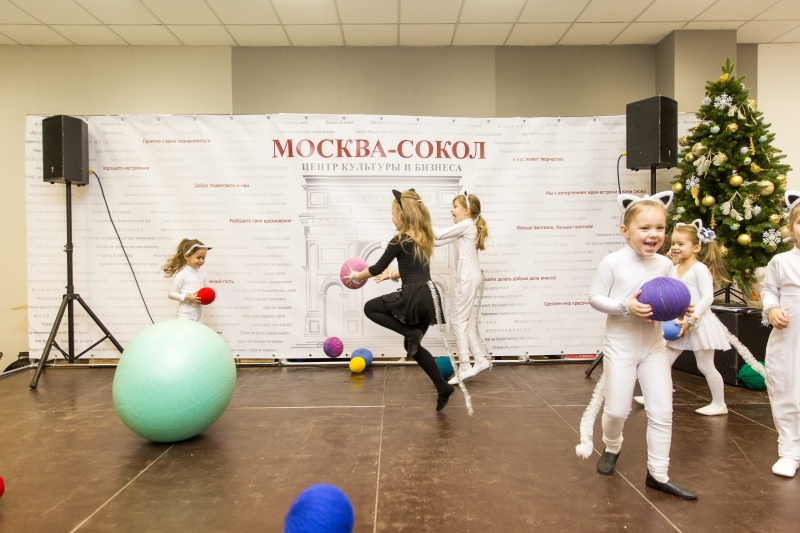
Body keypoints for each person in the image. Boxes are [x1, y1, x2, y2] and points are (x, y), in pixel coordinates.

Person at [587, 192, 697, 499]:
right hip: (620, 348)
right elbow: (595, 298)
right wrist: (626, 306)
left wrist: (679, 307)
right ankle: (612, 446)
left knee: (662, 411)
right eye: (645, 228)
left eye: (660, 228)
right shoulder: (613, 262)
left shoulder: (664, 263)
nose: (654, 234)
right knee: (617, 411)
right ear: (625, 230)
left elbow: (666, 298)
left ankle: (658, 475)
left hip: (653, 348)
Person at [347, 189, 456, 411]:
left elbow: (376, 267)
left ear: (402, 216)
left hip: (414, 295)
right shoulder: (423, 236)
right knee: (412, 346)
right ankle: (443, 387)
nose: (391, 218)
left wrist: (355, 277)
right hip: (429, 295)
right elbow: (413, 268)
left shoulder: (399, 239)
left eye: (393, 214)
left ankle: (410, 333)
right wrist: (392, 276)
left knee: (370, 308)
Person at [635, 219, 731, 416]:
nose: (675, 247)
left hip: (699, 323)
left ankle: (719, 404)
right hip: (679, 323)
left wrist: (692, 320)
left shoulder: (699, 268)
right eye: (673, 243)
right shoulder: (673, 268)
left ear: (696, 247)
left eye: (681, 243)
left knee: (705, 365)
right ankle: (655, 396)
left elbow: (707, 297)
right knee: (664, 361)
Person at [432, 191, 491, 383]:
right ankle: (479, 360)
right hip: (469, 278)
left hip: (467, 279)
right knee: (463, 322)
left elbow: (439, 234)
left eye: (455, 206)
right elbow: (437, 241)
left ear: (466, 211)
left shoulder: (466, 224)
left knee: (458, 322)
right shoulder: (465, 227)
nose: (451, 210)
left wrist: (420, 216)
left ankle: (465, 366)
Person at [762, 190, 800, 477]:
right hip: (790, 338)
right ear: (790, 228)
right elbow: (769, 290)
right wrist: (772, 309)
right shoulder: (781, 261)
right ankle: (790, 449)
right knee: (788, 390)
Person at [163, 238, 211, 322]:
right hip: (184, 317)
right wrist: (187, 297)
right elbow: (171, 294)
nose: (201, 261)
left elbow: (207, 290)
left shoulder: (203, 273)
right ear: (186, 256)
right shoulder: (182, 274)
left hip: (199, 318)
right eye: (198, 257)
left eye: (203, 258)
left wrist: (208, 296)